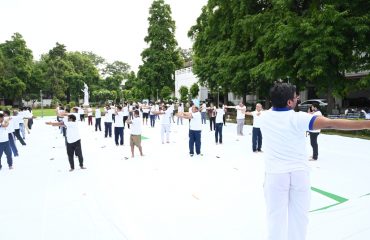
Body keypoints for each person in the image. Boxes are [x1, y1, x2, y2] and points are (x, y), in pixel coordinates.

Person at [259, 82, 370, 240]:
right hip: (299, 174)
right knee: (299, 218)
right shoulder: (299, 118)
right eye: (295, 96)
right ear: (289, 102)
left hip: (275, 175)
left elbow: (260, 111)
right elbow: (332, 123)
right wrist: (366, 124)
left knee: (275, 218)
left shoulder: (264, 116)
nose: (298, 98)